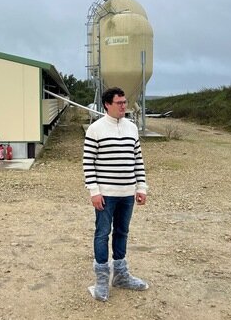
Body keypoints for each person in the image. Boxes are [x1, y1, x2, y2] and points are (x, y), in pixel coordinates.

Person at [83, 87, 149, 301]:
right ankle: (101, 281)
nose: (124, 106)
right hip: (106, 195)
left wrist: (141, 187)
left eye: (124, 102)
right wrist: (94, 191)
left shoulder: (132, 128)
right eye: (119, 102)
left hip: (127, 193)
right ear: (107, 105)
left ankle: (120, 275)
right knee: (102, 234)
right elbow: (88, 163)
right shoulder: (95, 129)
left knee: (122, 232)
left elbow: (137, 159)